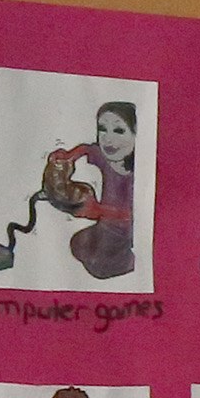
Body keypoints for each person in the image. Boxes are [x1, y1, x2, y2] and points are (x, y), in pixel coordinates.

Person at [62, 100, 137, 282]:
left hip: (128, 234)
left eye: (119, 131)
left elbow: (135, 216)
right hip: (105, 227)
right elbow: (87, 149)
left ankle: (131, 261)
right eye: (102, 129)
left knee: (100, 266)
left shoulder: (136, 173)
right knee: (78, 244)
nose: (108, 139)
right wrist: (69, 155)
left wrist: (99, 210)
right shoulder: (105, 158)